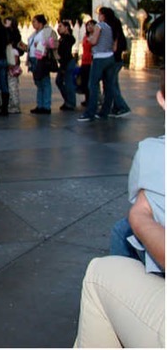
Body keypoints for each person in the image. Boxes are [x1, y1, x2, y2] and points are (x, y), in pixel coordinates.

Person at [74, 80, 165, 347]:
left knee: (100, 270)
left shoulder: (152, 151)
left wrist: (140, 217)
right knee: (119, 229)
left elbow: (139, 203)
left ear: (161, 99)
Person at [77, 7, 118, 123]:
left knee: (93, 85)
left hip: (99, 57)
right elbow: (114, 46)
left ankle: (90, 112)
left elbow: (94, 41)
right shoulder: (111, 28)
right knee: (108, 85)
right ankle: (104, 111)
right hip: (110, 57)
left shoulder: (100, 26)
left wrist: (89, 39)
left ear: (103, 16)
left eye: (100, 14)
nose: (98, 16)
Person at [103, 7, 132, 118]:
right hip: (116, 60)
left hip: (113, 60)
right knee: (113, 84)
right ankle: (116, 106)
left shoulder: (111, 29)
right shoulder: (115, 27)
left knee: (111, 84)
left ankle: (123, 107)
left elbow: (113, 45)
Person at [27, 14, 57, 115]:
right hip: (33, 58)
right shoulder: (34, 33)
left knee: (44, 82)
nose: (33, 24)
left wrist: (40, 45)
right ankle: (40, 105)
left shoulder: (47, 31)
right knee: (38, 82)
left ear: (40, 22)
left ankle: (46, 105)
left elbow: (52, 44)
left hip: (41, 59)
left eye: (34, 22)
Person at [3, 16, 25, 114]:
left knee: (12, 86)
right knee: (11, 85)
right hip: (11, 63)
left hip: (11, 65)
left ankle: (15, 105)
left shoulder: (13, 44)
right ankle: (12, 104)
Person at [55, 19, 77, 111]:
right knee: (59, 81)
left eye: (60, 26)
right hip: (63, 62)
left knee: (68, 83)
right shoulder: (61, 38)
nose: (58, 28)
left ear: (66, 27)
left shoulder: (69, 38)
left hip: (68, 62)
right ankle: (67, 100)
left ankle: (71, 102)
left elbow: (65, 51)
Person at [78, 19, 94, 108]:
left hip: (91, 61)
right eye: (88, 25)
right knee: (84, 81)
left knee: (90, 82)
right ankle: (86, 98)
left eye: (91, 25)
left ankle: (91, 99)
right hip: (84, 60)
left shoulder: (95, 37)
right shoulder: (85, 37)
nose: (89, 27)